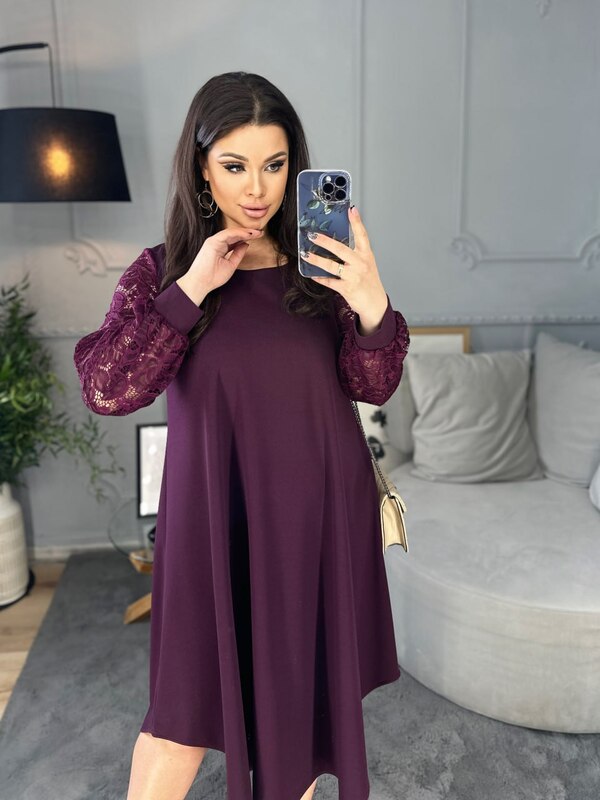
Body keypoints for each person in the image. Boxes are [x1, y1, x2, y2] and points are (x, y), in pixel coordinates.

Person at [73, 71, 410, 800]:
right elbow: (107, 388)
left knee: (298, 719)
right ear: (201, 168)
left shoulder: (324, 271)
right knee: (178, 722)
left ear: (295, 166)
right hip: (211, 525)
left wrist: (371, 304)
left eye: (274, 165)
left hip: (318, 522)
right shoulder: (163, 272)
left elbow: (374, 385)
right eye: (234, 166)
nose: (257, 189)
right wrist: (193, 287)